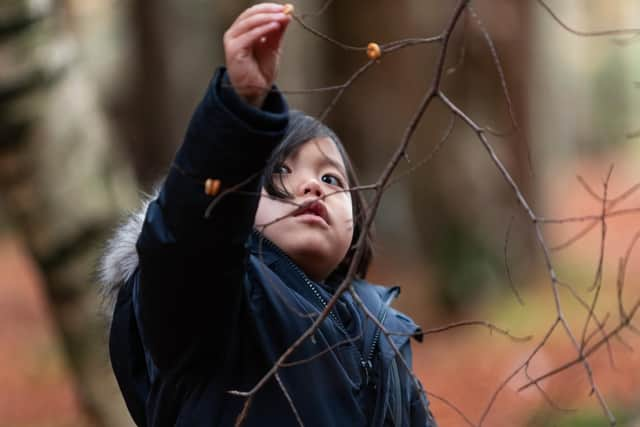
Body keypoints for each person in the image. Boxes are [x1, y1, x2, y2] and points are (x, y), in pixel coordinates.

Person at [101, 3, 437, 426]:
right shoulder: (214, 301)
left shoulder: (385, 330)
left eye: (332, 179)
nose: (313, 186)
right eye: (280, 171)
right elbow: (191, 238)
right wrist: (239, 111)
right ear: (238, 204)